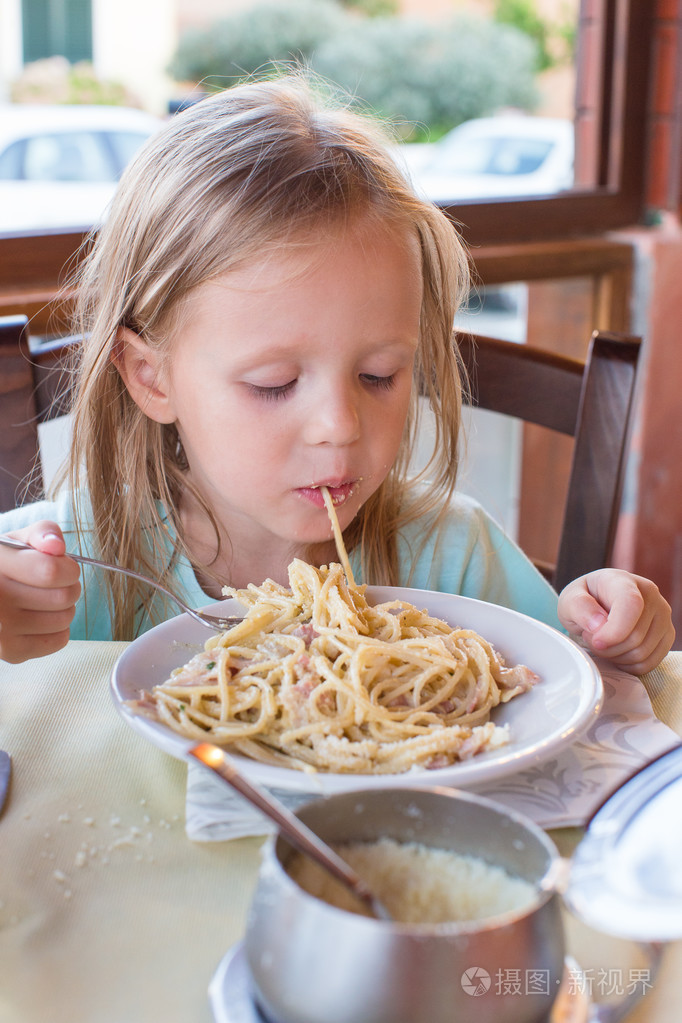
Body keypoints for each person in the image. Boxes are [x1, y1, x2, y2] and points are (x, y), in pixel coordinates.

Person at [0, 73, 673, 672]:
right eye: (274, 384)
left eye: (379, 375)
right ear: (152, 377)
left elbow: (564, 683)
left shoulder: (454, 554)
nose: (339, 426)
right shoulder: (74, 557)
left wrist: (608, 632)